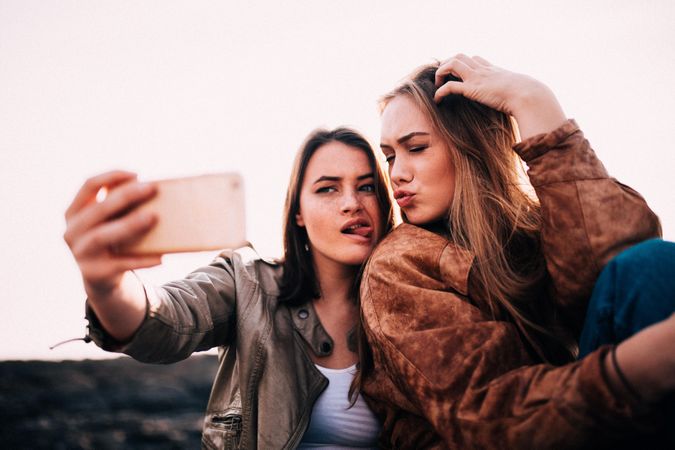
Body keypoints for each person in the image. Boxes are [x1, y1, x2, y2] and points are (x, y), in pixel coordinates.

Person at [357, 54, 675, 449]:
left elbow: (616, 272)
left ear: (470, 147)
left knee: (650, 265)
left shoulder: (530, 230)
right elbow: (489, 413)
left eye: (416, 148)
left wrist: (532, 100)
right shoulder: (397, 265)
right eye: (390, 156)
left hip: (593, 419)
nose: (397, 173)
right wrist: (638, 368)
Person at [63, 128, 394, 449]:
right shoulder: (247, 283)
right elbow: (167, 318)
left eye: (366, 187)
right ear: (298, 214)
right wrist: (108, 286)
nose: (352, 203)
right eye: (327, 189)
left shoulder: (412, 302)